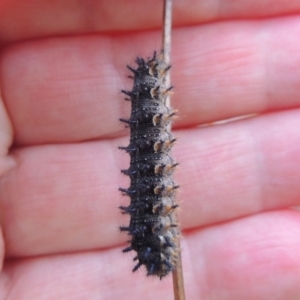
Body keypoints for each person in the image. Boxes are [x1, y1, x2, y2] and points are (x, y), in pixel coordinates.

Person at [0, 1, 299, 299]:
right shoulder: (150, 226)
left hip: (150, 116)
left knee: (149, 163)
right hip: (149, 118)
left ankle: (149, 91)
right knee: (149, 162)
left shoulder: (155, 222)